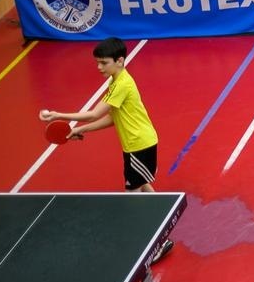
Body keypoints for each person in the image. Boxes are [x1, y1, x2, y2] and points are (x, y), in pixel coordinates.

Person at [40, 36, 176, 262]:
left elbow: (94, 113)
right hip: (136, 144)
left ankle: (154, 243)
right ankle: (165, 227)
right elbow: (113, 118)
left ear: (119, 60)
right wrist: (78, 129)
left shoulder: (122, 84)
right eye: (98, 62)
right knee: (142, 185)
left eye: (104, 62)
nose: (99, 67)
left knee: (131, 198)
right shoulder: (116, 81)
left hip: (139, 145)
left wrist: (58, 115)